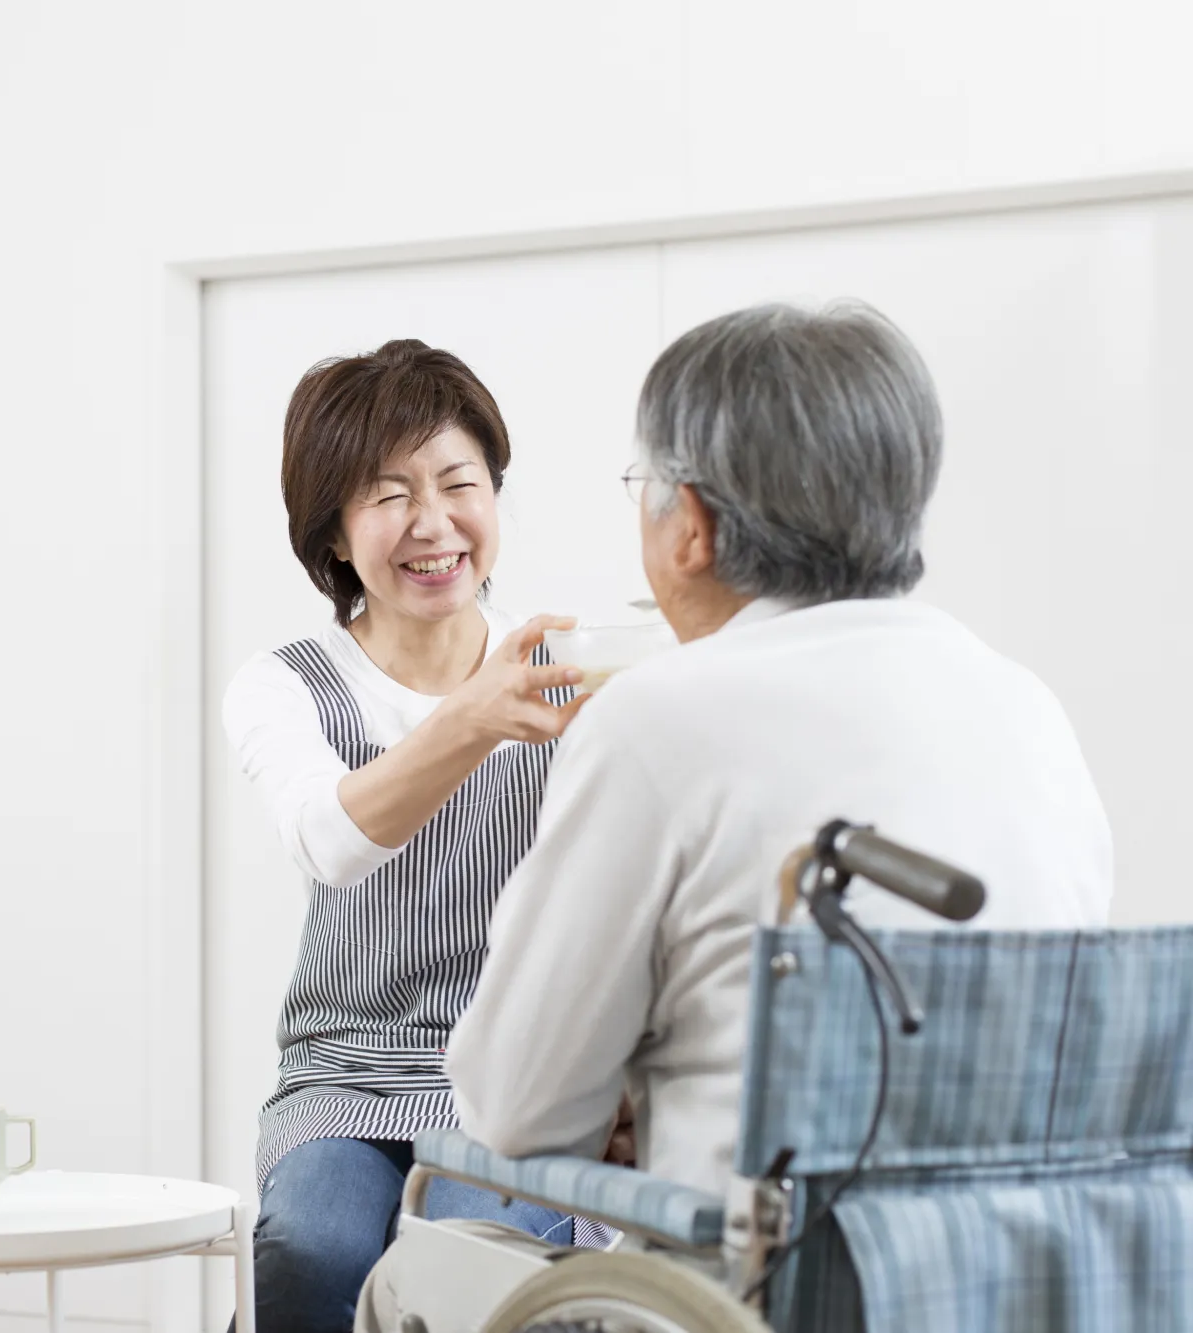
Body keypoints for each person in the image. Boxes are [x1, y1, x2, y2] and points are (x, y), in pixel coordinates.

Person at [356, 301, 1115, 1325]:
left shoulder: (658, 716)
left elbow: (517, 1110)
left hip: (753, 1291)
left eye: (643, 489)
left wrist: (635, 1099)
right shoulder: (1025, 706)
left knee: (410, 1270)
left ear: (693, 527)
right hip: (1010, 1282)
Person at [223, 339, 599, 1332]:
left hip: (515, 1082)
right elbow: (328, 838)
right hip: (341, 1071)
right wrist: (474, 715)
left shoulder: (573, 676)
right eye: (388, 495)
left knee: (463, 1268)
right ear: (335, 535)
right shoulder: (285, 684)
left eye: (456, 483)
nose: (431, 524)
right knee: (309, 1251)